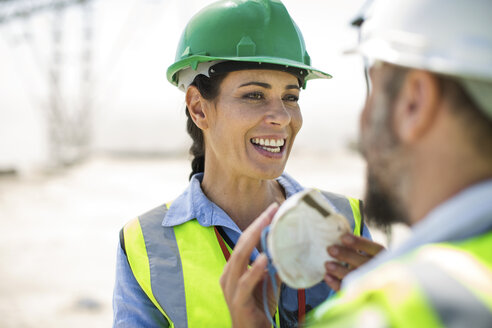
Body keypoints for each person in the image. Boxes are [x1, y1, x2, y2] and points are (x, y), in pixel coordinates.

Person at [220, 0, 492, 326]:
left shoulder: (376, 314)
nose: (362, 121)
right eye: (253, 95)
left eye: (373, 90)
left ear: (414, 101)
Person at [112, 1, 379, 327]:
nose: (282, 117)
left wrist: (392, 301)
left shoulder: (344, 221)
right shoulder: (147, 245)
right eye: (254, 95)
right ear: (198, 108)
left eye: (291, 97)